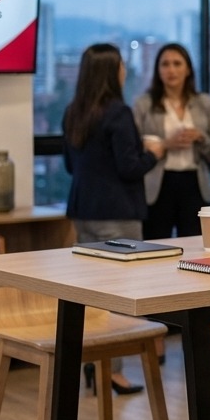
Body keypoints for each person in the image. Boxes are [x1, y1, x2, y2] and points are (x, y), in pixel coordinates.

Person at [62, 42, 163, 395]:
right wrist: (154, 154)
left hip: (83, 210)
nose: (124, 70)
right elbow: (129, 167)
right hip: (117, 213)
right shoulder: (118, 113)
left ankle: (95, 365)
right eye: (121, 64)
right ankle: (113, 371)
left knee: (91, 295)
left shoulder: (74, 111)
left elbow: (70, 165)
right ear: (112, 71)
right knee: (118, 297)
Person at [134, 43, 210, 240]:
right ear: (158, 70)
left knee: (197, 245)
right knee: (155, 245)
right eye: (165, 64)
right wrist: (166, 144)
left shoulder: (204, 103)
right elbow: (133, 147)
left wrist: (200, 137)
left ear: (188, 69)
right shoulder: (144, 103)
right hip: (159, 183)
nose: (171, 70)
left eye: (177, 63)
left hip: (195, 183)